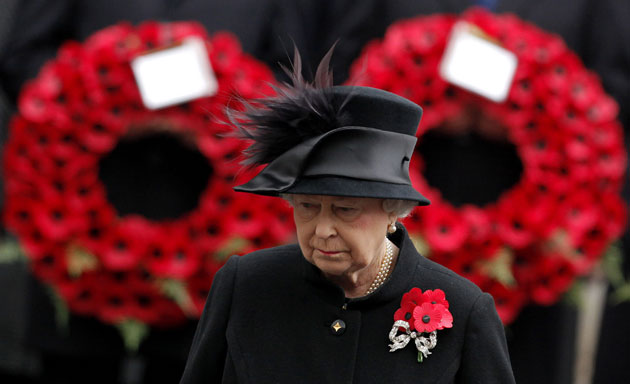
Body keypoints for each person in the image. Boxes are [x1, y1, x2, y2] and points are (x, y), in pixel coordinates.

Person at [179, 51, 515, 383]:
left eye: (345, 209)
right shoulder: (246, 286)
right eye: (308, 206)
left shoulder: (463, 309)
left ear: (391, 211)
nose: (322, 230)